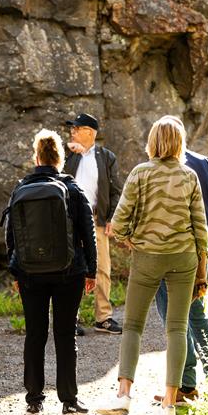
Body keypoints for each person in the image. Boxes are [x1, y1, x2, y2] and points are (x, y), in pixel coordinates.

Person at [98, 116, 208, 415]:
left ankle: (123, 396)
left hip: (148, 256)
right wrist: (203, 273)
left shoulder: (140, 173)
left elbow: (118, 223)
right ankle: (170, 405)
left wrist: (131, 239)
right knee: (176, 328)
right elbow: (202, 231)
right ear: (180, 143)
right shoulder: (189, 176)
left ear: (152, 142)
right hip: (184, 257)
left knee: (133, 325)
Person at [5, 129, 97, 415]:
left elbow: (11, 236)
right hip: (69, 272)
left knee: (35, 334)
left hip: (30, 273)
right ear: (59, 158)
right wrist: (91, 271)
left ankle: (33, 402)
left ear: (36, 157)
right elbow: (87, 231)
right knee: (65, 334)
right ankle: (69, 402)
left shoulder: (21, 187)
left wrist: (16, 272)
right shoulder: (71, 187)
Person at [152, 117, 208, 404]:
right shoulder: (205, 163)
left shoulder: (157, 166)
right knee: (196, 316)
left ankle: (185, 387)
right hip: (198, 254)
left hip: (168, 251)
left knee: (174, 321)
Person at [64, 113, 123, 335]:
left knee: (102, 269)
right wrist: (67, 152)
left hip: (97, 221)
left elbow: (118, 190)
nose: (73, 132)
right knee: (71, 269)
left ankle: (103, 319)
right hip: (70, 222)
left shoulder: (107, 157)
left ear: (90, 132)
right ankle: (71, 318)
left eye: (76, 129)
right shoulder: (67, 154)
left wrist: (112, 218)